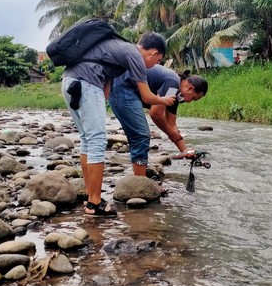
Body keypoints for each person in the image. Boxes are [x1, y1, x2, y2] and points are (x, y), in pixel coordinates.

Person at [61, 31, 175, 218]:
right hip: (86, 84)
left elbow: (107, 85)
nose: (155, 65)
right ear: (154, 53)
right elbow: (147, 96)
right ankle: (94, 203)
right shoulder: (134, 55)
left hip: (69, 81)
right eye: (158, 60)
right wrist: (164, 100)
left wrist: (99, 103)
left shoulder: (119, 52)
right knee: (97, 140)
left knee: (87, 139)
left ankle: (90, 195)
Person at [109, 64, 208, 177]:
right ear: (190, 88)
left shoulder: (174, 95)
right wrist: (171, 133)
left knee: (140, 136)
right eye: (194, 98)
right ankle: (140, 181)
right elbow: (155, 113)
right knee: (141, 135)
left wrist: (185, 150)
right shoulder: (173, 83)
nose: (190, 101)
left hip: (121, 89)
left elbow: (172, 126)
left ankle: (140, 177)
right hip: (122, 87)